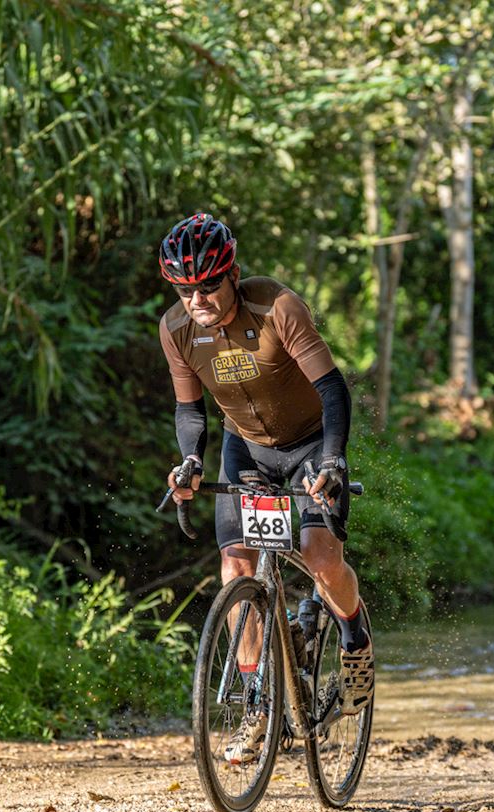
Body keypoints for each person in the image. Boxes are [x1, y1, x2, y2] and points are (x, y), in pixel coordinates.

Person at [156, 212, 372, 763]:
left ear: (231, 275)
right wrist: (188, 462)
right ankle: (258, 703)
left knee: (320, 556)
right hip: (245, 449)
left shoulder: (276, 308)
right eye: (184, 288)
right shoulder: (176, 330)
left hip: (308, 443)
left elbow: (332, 390)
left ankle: (354, 639)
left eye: (207, 285)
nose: (196, 298)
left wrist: (333, 459)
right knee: (236, 568)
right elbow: (190, 410)